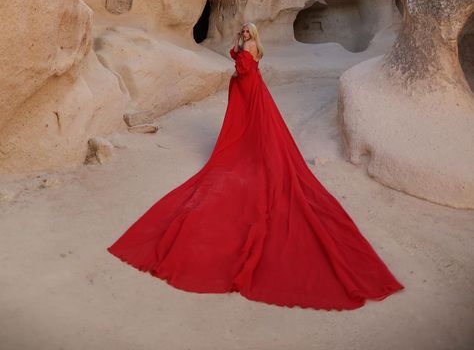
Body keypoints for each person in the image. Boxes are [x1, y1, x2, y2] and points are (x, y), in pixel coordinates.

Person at [107, 22, 404, 310]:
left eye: (249, 31)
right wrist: (238, 48)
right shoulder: (250, 45)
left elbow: (242, 67)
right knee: (252, 126)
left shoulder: (249, 46)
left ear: (254, 35)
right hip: (251, 89)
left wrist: (240, 53)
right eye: (245, 30)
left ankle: (248, 152)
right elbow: (238, 58)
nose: (246, 33)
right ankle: (248, 149)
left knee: (250, 127)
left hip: (247, 87)